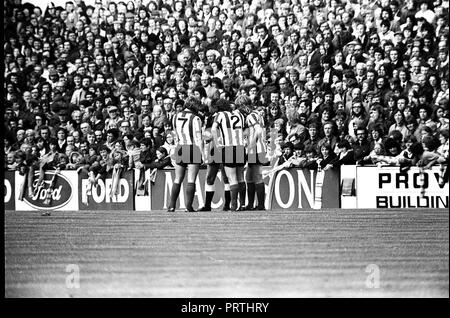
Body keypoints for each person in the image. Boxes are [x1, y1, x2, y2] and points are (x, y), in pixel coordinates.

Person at [167, 97, 204, 212]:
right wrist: (202, 154)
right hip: (192, 148)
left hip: (180, 147)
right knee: (191, 179)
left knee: (177, 178)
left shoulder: (175, 116)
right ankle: (188, 206)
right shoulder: (195, 118)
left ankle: (171, 205)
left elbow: (175, 135)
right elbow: (198, 139)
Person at [210, 97, 246, 211]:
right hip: (240, 147)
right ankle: (243, 204)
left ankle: (234, 205)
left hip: (229, 148)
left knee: (232, 178)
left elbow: (213, 129)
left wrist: (217, 143)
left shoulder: (220, 115)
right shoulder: (239, 115)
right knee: (240, 177)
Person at [198, 99, 232, 212]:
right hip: (217, 149)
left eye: (211, 106)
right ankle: (221, 205)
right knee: (218, 177)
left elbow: (207, 135)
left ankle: (221, 205)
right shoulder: (211, 118)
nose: (209, 108)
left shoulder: (218, 117)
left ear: (215, 107)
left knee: (216, 177)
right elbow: (206, 135)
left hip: (219, 148)